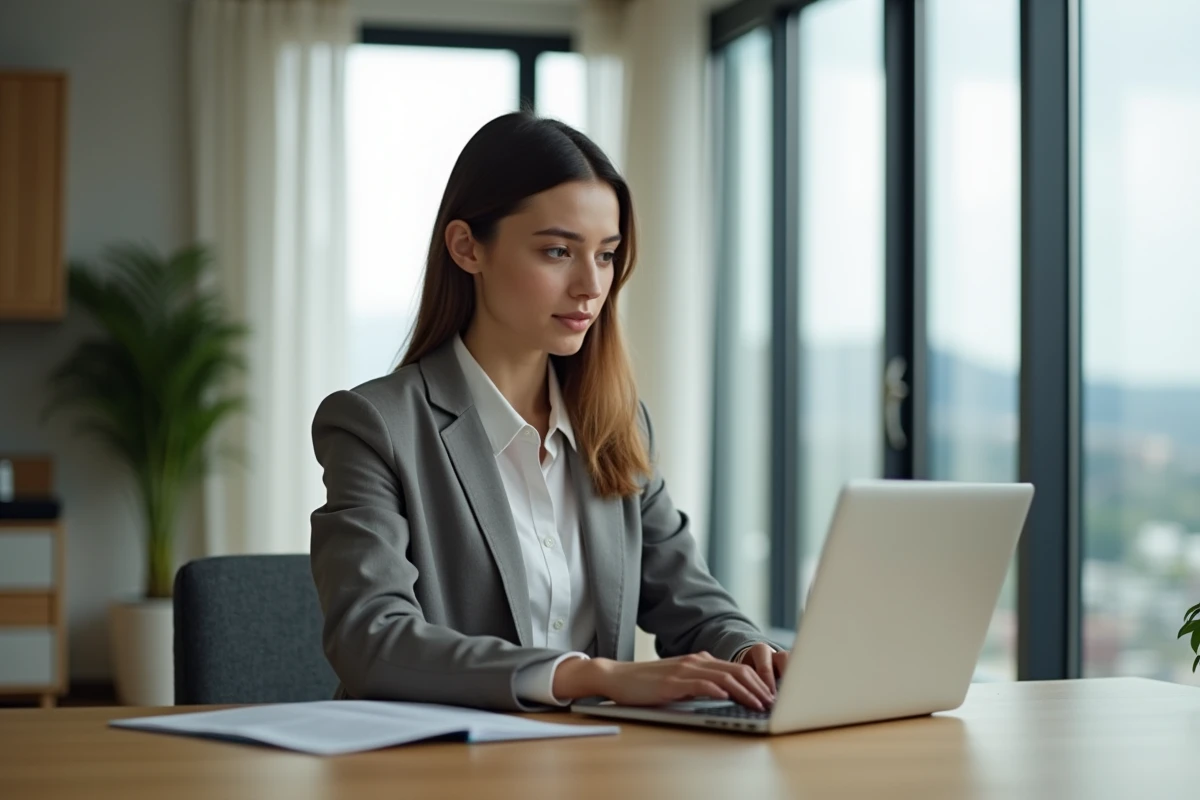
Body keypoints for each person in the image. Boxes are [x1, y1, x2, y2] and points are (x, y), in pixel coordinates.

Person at [310, 111, 788, 712]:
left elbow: (691, 602)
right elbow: (370, 641)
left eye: (608, 255)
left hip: (594, 764)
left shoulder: (616, 422)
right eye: (559, 251)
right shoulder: (375, 425)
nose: (592, 285)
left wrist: (748, 653)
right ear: (467, 248)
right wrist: (592, 677)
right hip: (437, 766)